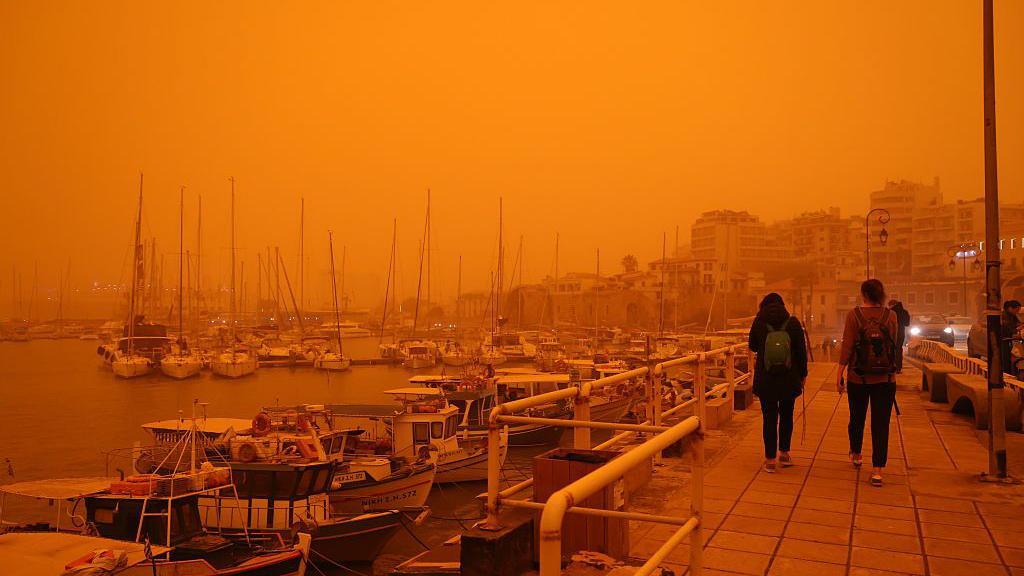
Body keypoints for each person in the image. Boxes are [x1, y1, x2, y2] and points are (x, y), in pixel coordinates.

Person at [837, 279, 899, 487]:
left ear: (863, 294)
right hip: (885, 378)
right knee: (881, 424)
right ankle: (878, 470)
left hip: (858, 377)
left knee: (857, 417)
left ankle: (856, 454)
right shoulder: (891, 316)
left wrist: (840, 372)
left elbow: (847, 345)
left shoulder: (853, 315)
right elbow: (895, 344)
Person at [749, 293, 808, 473]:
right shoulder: (793, 323)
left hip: (766, 379)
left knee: (769, 418)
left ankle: (770, 460)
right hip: (789, 378)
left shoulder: (759, 323)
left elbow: (752, 345)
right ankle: (784, 452)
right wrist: (803, 375)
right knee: (787, 415)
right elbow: (801, 352)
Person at [888, 299, 911, 373]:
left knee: (890, 349)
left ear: (891, 305)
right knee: (898, 349)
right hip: (901, 333)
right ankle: (898, 368)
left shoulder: (889, 312)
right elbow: (907, 324)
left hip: (891, 333)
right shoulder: (904, 312)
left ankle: (891, 366)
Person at [1003, 300, 1022, 377]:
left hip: (1010, 340)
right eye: (1016, 310)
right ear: (1011, 308)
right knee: (1006, 360)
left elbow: (1018, 323)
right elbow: (1007, 329)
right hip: (1004, 341)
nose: (1017, 312)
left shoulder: (1012, 315)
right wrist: (1016, 329)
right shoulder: (1004, 316)